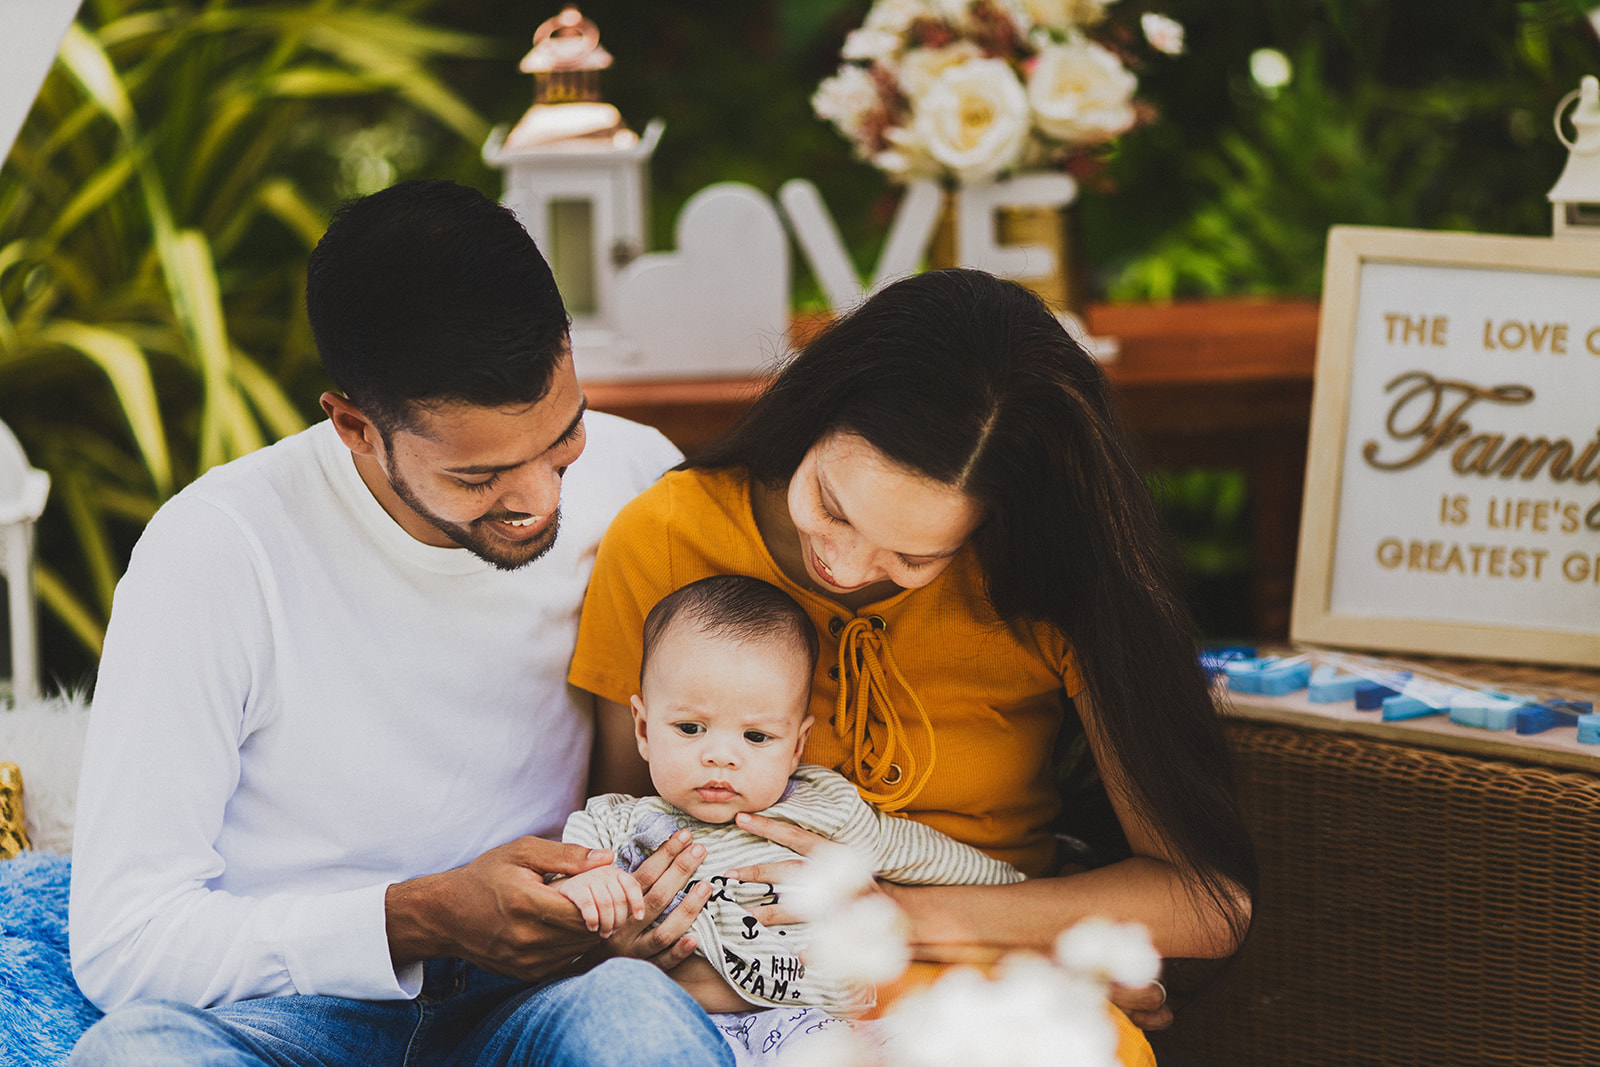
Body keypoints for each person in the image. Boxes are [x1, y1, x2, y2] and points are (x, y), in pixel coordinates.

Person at [68, 179, 734, 1067]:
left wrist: (640, 912)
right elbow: (125, 941)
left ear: (568, 351)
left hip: (550, 997)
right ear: (353, 427)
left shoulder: (642, 477)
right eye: (478, 477)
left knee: (640, 1027)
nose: (539, 500)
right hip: (292, 1016)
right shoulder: (217, 550)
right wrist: (413, 915)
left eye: (562, 439)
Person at [569, 268, 1260, 1064]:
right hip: (727, 991)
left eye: (913, 556)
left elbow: (1205, 901)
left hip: (975, 974)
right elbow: (628, 816)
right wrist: (631, 926)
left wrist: (928, 925)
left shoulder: (1053, 576)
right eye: (831, 504)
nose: (847, 562)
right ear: (817, 410)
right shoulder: (667, 537)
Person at [554, 574, 1024, 1059]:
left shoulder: (823, 809)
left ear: (797, 745)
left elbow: (921, 855)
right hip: (674, 1024)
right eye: (691, 728)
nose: (721, 756)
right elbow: (559, 887)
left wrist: (1013, 882)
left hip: (811, 1025)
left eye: (756, 737)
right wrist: (590, 891)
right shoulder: (612, 823)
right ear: (645, 728)